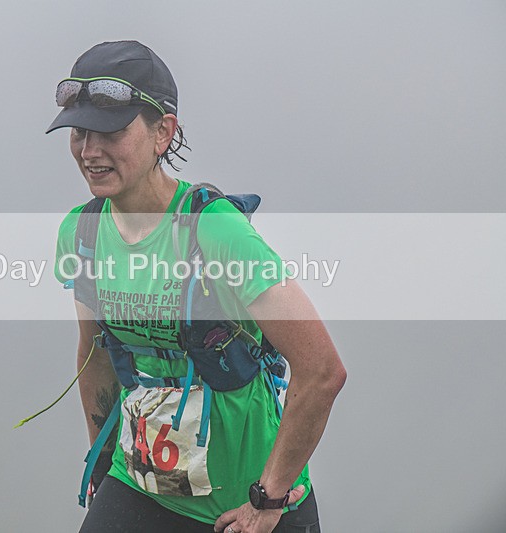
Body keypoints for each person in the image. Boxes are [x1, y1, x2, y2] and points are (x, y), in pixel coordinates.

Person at [48, 40, 346, 533]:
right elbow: (95, 354)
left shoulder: (215, 230)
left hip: (247, 507)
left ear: (163, 132)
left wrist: (267, 501)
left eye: (110, 132)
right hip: (140, 486)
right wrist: (101, 460)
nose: (89, 150)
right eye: (79, 132)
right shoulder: (81, 234)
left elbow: (322, 372)